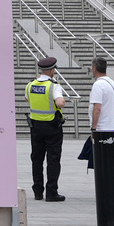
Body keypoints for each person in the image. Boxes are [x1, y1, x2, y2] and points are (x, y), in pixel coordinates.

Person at [26, 56, 68, 202]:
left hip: (35, 127)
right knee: (53, 159)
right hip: (52, 127)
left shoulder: (30, 85)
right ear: (51, 71)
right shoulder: (54, 86)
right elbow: (60, 103)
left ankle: (38, 192)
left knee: (36, 159)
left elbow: (27, 98)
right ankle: (51, 192)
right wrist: (61, 100)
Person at [89, 56, 114, 140]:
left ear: (94, 68)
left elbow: (97, 109)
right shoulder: (113, 84)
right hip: (112, 127)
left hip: (101, 128)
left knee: (96, 152)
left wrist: (93, 129)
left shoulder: (98, 85)